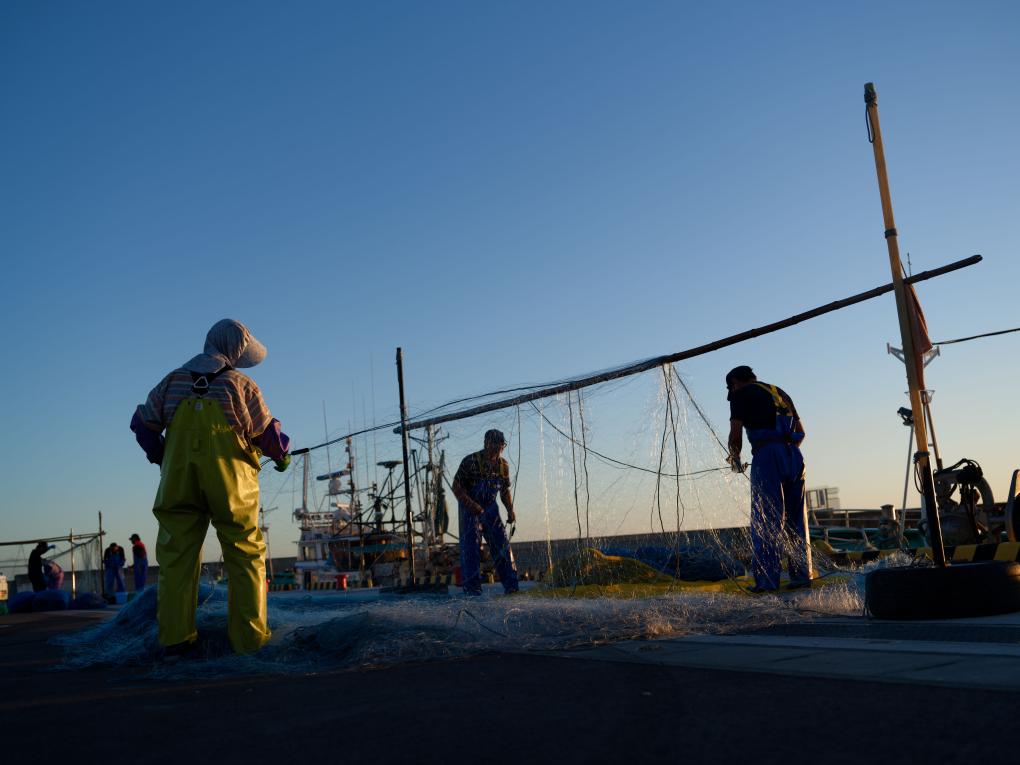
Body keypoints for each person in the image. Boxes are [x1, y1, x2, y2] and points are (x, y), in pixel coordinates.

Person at [130, 319, 290, 655]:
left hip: (178, 482)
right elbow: (268, 436)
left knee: (176, 557)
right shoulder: (241, 384)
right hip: (231, 485)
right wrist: (282, 456)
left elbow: (142, 423)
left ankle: (175, 639)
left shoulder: (172, 380)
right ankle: (249, 641)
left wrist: (161, 455)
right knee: (245, 552)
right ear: (235, 350)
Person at [726, 365, 812, 593]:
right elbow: (801, 430)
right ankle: (802, 575)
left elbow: (736, 434)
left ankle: (766, 582)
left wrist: (735, 458)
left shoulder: (740, 394)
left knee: (766, 519)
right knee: (796, 520)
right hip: (794, 455)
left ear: (735, 382)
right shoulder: (779, 391)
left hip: (767, 455)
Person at [451, 429, 519, 595]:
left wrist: (510, 510)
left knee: (502, 546)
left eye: (501, 446)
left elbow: (504, 491)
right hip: (470, 511)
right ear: (486, 443)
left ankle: (512, 588)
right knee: (471, 549)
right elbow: (456, 487)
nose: (498, 450)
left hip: (491, 509)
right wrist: (472, 505)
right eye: (495, 446)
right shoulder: (470, 461)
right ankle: (472, 591)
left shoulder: (503, 466)